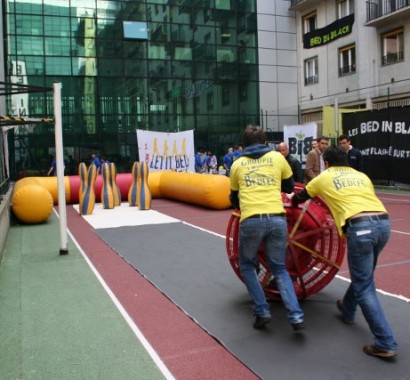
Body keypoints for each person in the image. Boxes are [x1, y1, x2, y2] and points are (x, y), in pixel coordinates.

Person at [291, 145, 397, 359]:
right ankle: (348, 310)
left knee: (364, 286)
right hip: (383, 224)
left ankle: (385, 341)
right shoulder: (361, 176)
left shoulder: (324, 177)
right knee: (363, 277)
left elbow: (301, 197)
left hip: (360, 227)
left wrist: (290, 202)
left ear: (326, 163)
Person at [229, 125, 304, 331]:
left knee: (247, 265)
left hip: (251, 219)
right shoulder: (278, 158)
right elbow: (289, 187)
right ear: (265, 142)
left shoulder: (237, 164)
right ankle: (296, 315)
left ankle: (262, 311)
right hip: (277, 218)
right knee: (279, 268)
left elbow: (234, 198)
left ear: (244, 144)